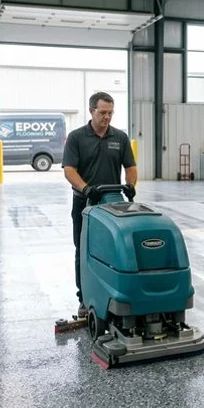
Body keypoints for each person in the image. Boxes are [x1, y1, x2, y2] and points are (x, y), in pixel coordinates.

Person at [62, 92, 138, 318]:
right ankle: (84, 300)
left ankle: (113, 294)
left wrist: (131, 184)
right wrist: (86, 188)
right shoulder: (77, 138)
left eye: (110, 113)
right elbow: (69, 170)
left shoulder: (120, 137)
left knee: (114, 251)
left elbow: (130, 167)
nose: (107, 117)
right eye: (103, 112)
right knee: (83, 250)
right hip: (85, 204)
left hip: (114, 205)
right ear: (91, 111)